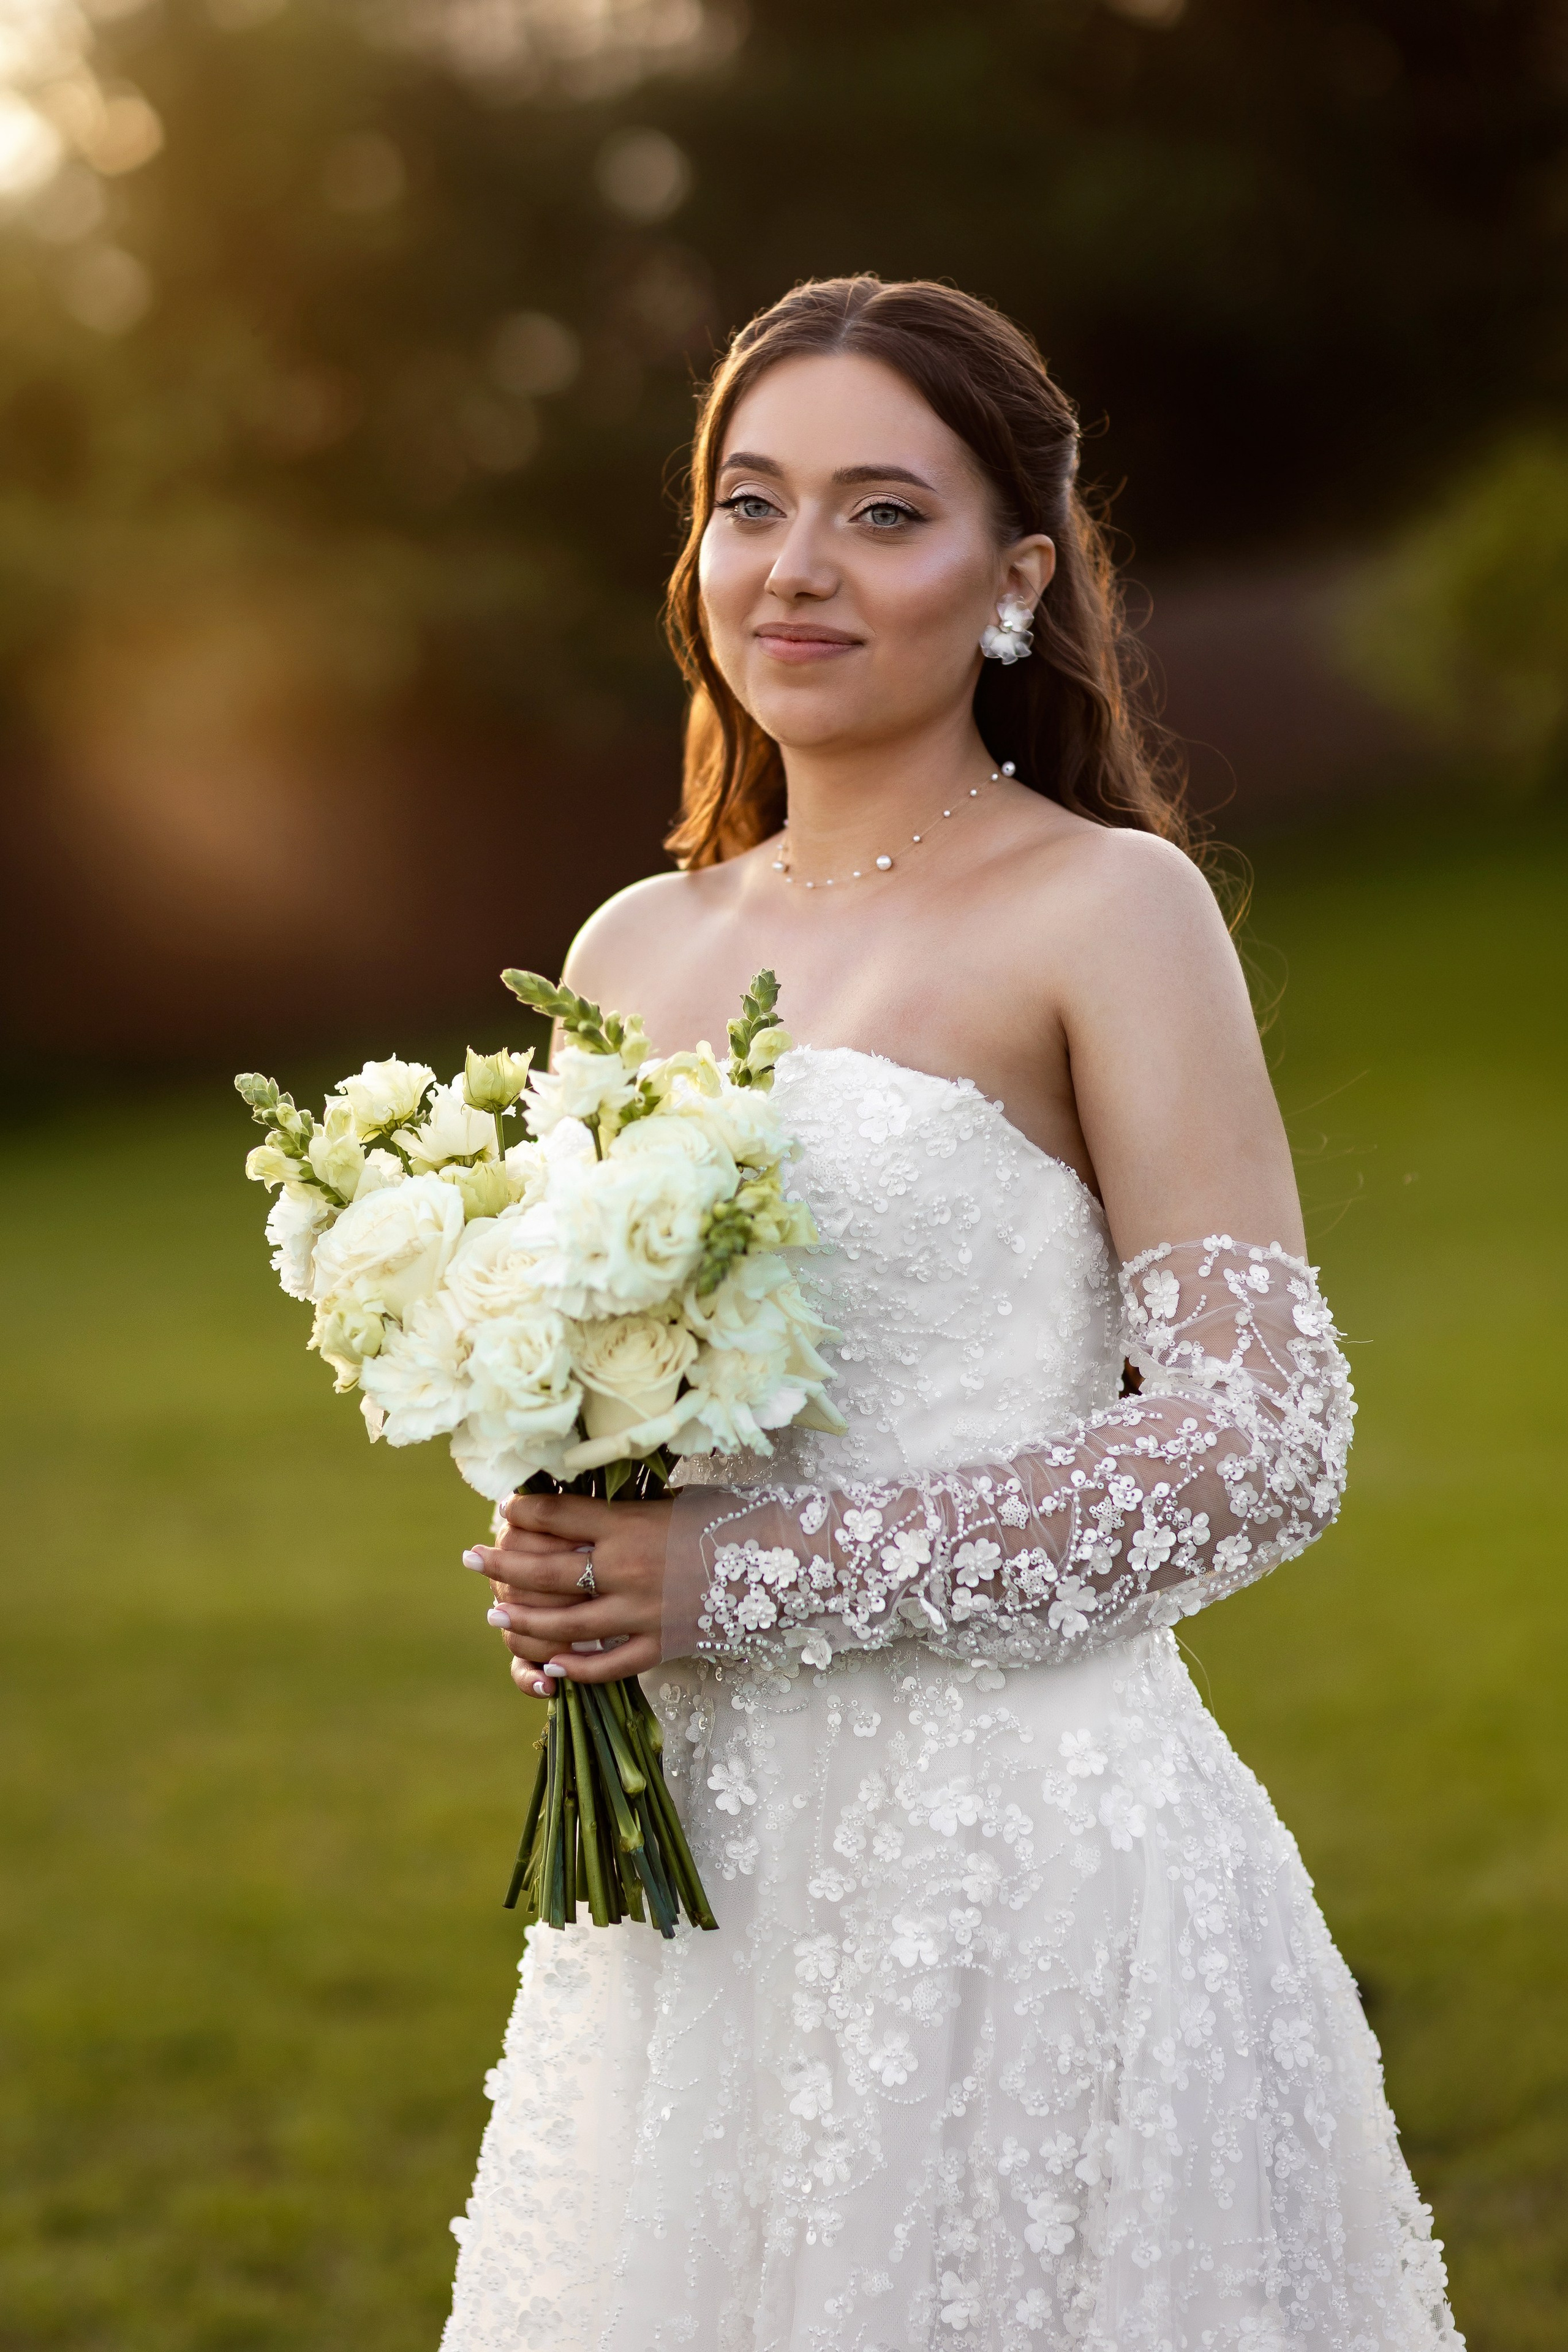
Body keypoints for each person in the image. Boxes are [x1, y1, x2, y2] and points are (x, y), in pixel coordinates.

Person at [443, 277, 1463, 2352]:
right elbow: (605, 1398)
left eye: (881, 513)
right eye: (751, 501)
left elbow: (1257, 1440)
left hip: (1029, 1878)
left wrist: (743, 1576)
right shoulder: (628, 947)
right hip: (702, 1906)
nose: (795, 567)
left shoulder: (1107, 908)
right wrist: (574, 1555)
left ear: (1015, 578)